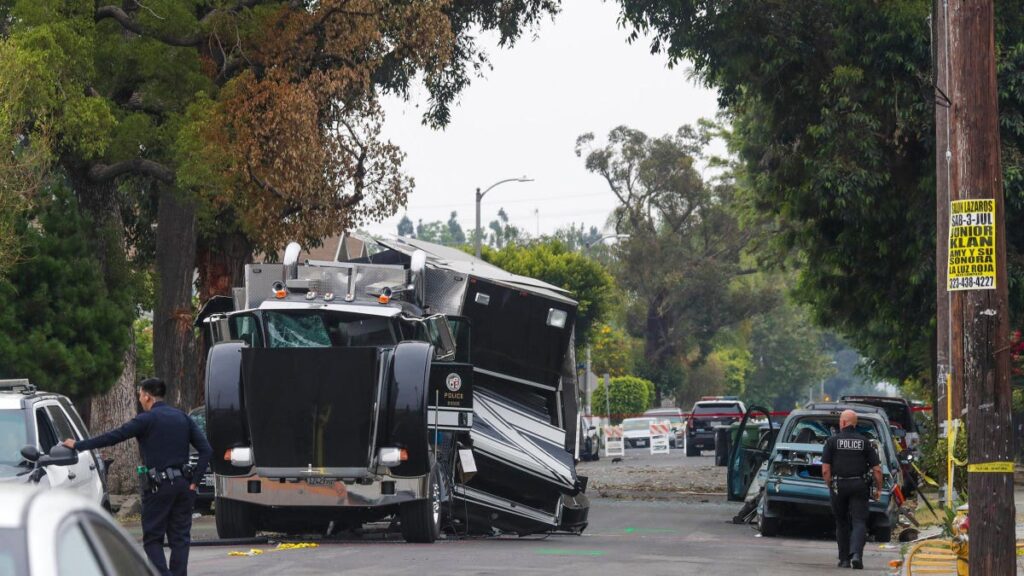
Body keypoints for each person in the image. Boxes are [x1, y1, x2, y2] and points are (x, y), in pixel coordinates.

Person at [63, 378, 212, 576]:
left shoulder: (146, 419)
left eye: (140, 395)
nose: (140, 399)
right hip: (184, 486)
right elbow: (206, 450)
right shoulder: (182, 418)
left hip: (158, 487)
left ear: (147, 396)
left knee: (152, 540)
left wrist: (78, 445)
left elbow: (114, 436)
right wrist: (194, 482)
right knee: (180, 538)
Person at [821, 409, 883, 570]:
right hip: (859, 485)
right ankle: (856, 555)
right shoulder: (865, 442)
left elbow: (825, 470)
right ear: (855, 424)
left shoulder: (832, 441)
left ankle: (844, 560)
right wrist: (879, 489)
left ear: (842, 423)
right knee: (859, 521)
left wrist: (829, 484)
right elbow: (877, 469)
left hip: (839, 486)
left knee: (841, 522)